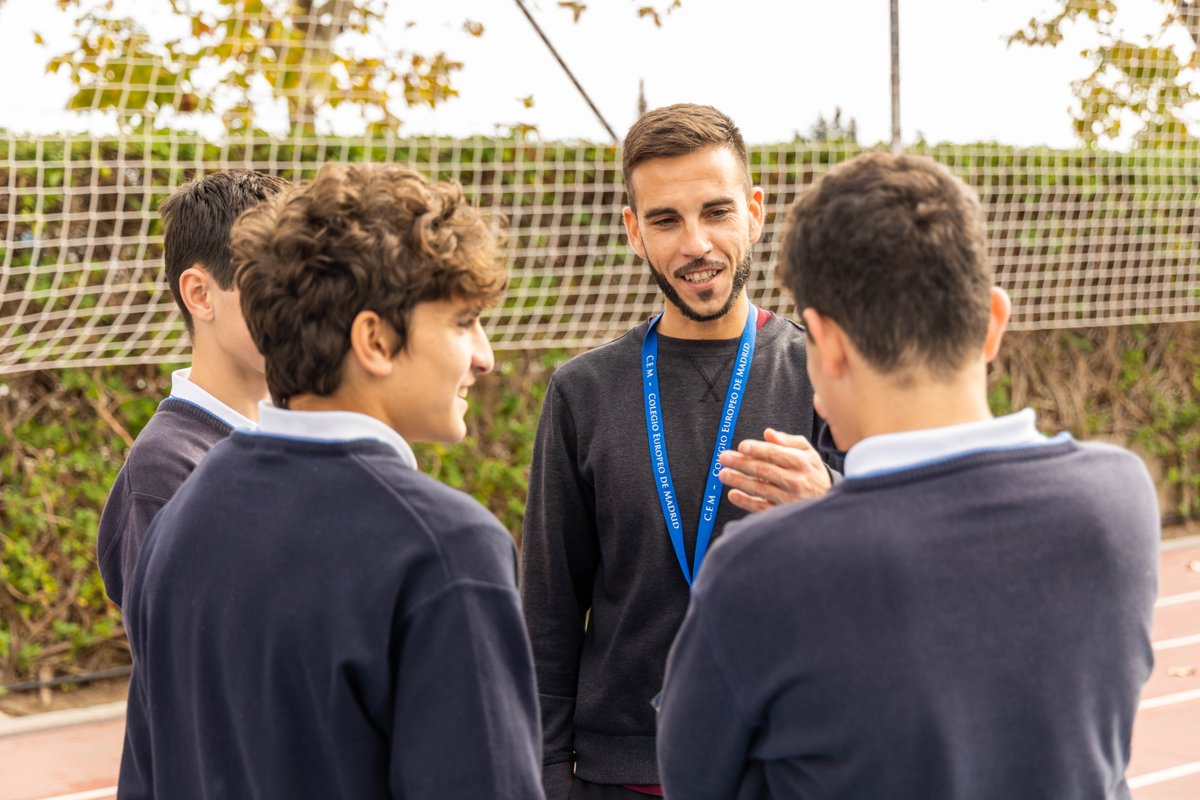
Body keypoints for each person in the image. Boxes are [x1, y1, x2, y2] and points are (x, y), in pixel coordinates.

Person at [657, 151, 1160, 800]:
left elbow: (694, 780)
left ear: (827, 343)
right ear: (993, 322)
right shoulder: (1119, 499)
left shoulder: (756, 571)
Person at [118, 163, 543, 799]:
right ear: (374, 339)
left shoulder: (184, 515)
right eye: (463, 322)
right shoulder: (446, 547)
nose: (485, 356)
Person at [521, 103, 835, 799]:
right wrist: (547, 775)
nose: (696, 244)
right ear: (634, 232)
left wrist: (831, 504)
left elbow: (895, 572)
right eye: (666, 220)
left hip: (787, 765)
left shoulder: (827, 374)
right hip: (625, 775)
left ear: (755, 212)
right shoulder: (583, 392)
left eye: (716, 212)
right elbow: (548, 609)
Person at [96, 170, 286, 609]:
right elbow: (182, 642)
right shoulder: (165, 467)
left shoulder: (307, 426)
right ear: (200, 294)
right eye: (277, 285)